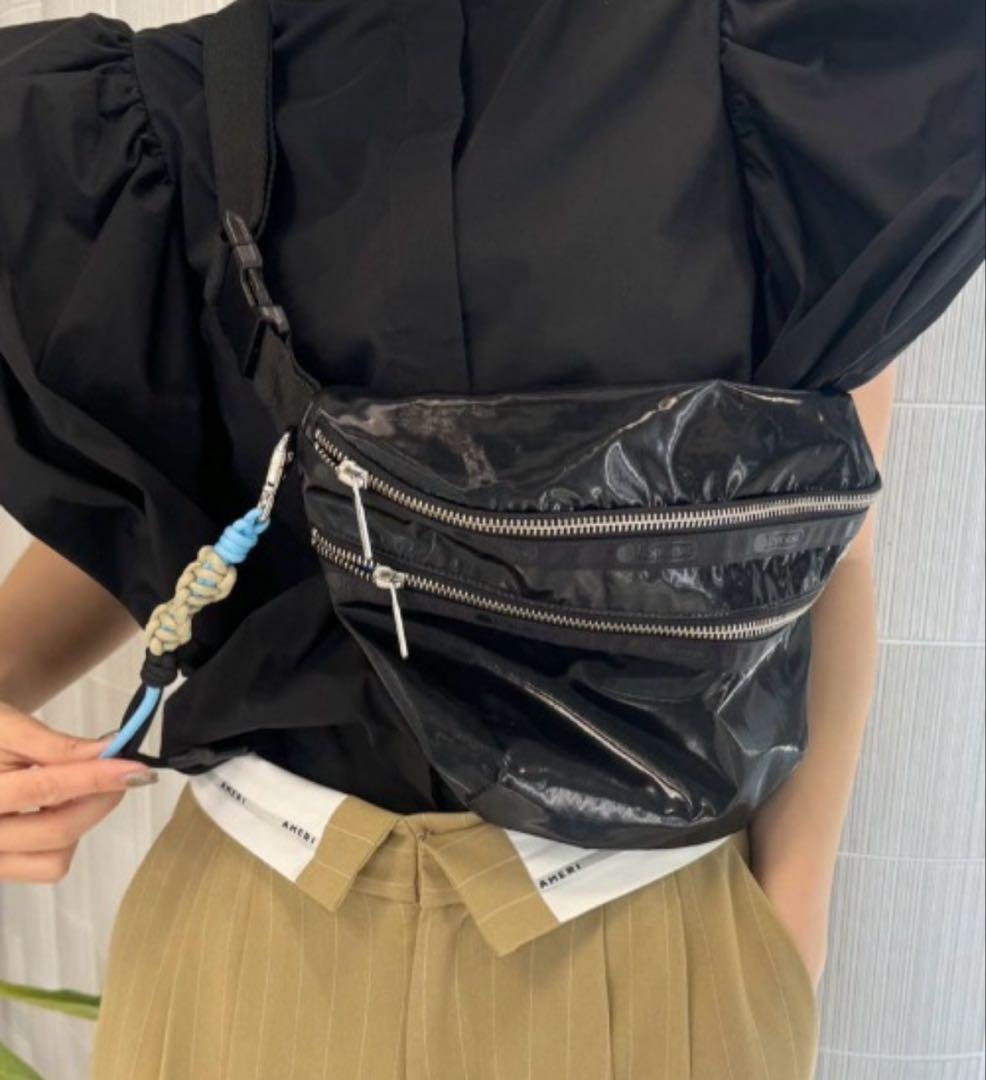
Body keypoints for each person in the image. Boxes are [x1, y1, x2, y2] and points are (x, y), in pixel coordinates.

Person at [0, 0, 982, 1076]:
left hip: (643, 938)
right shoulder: (169, 117)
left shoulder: (784, 91)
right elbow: (177, 509)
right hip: (245, 938)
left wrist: (791, 925)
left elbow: (829, 547)